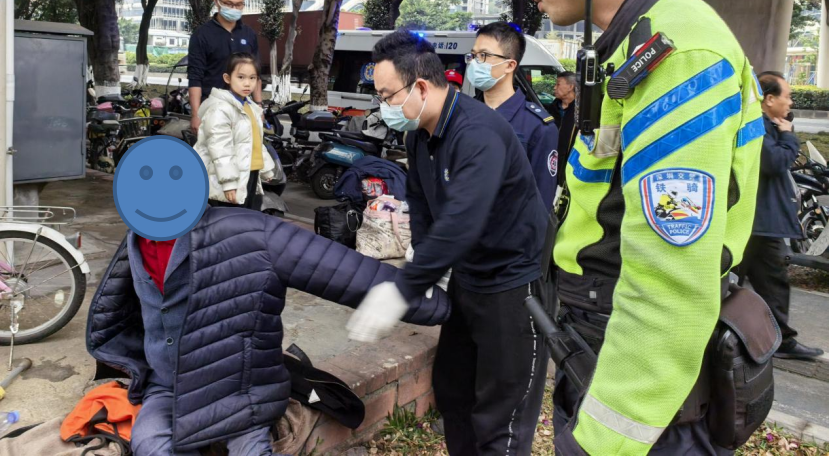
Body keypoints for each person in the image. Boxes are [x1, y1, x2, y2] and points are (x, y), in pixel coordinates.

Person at [472, 0, 764, 456]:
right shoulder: (632, 45)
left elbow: (670, 279)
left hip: (642, 394)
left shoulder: (675, 53)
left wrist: (607, 437)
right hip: (602, 351)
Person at [87, 206, 450, 456]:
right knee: (148, 444)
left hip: (238, 385)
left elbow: (344, 271)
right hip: (168, 387)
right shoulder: (136, 238)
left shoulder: (248, 232)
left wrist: (446, 306)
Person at [346, 29, 549, 455]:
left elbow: (462, 220)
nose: (383, 107)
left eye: (387, 95)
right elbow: (421, 204)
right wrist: (421, 251)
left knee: (501, 418)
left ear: (420, 86)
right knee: (454, 393)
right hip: (467, 280)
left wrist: (404, 288)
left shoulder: (477, 133)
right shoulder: (419, 135)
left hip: (512, 286)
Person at [740, 72, 823, 360]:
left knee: (759, 284)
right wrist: (788, 136)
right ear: (769, 99)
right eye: (786, 95)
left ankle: (767, 338)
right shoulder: (756, 126)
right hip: (758, 224)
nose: (790, 101)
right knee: (772, 284)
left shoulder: (766, 125)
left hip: (758, 222)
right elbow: (774, 162)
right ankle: (781, 341)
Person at [468, 21, 559, 210]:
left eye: (483, 55)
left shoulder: (538, 126)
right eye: (473, 55)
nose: (475, 62)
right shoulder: (464, 115)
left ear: (509, 65)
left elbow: (541, 201)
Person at [194, 53, 274, 211]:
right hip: (227, 176)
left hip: (249, 172)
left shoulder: (251, 107)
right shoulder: (220, 108)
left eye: (252, 78)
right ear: (227, 78)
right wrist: (229, 183)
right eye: (241, 77)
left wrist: (266, 169)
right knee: (227, 224)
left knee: (244, 220)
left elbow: (256, 141)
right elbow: (220, 148)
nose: (247, 83)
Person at [187, 0, 261, 135]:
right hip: (212, 110)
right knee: (215, 155)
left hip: (244, 110)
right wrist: (195, 115)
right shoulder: (202, 35)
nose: (234, 8)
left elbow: (256, 75)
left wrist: (259, 105)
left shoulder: (249, 34)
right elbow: (195, 77)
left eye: (239, 4)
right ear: (217, 2)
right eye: (228, 4)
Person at [552, 71, 577, 186]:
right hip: (552, 161)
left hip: (570, 165)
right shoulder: (552, 108)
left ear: (570, 87)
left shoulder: (580, 112)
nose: (554, 87)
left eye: (558, 84)